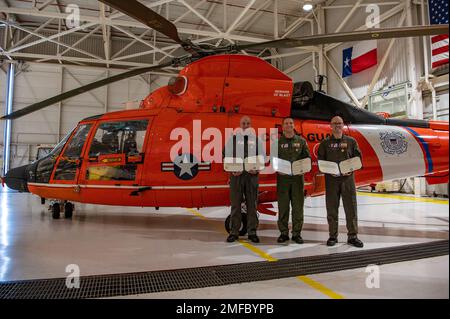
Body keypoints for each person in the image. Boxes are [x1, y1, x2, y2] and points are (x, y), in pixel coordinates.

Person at [317, 115, 364, 248]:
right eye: (335, 123)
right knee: (332, 208)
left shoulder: (351, 141)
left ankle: (353, 236)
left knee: (351, 208)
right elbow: (320, 161)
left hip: (348, 179)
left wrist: (351, 169)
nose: (337, 125)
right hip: (331, 180)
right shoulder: (325, 143)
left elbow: (358, 159)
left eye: (340, 123)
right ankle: (333, 236)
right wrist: (327, 170)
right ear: (330, 126)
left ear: (343, 125)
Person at [224, 116, 264, 243]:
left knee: (252, 205)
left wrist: (257, 169)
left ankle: (252, 232)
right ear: (240, 125)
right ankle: (234, 232)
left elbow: (262, 156)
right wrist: (231, 170)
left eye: (248, 123)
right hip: (237, 176)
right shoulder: (233, 140)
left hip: (252, 177)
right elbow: (226, 155)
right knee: (235, 205)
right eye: (243, 123)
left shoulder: (257, 140)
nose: (245, 125)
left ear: (251, 124)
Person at [274, 118, 311, 244]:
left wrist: (303, 169)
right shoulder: (277, 143)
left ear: (293, 126)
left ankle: (297, 233)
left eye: (291, 123)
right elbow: (274, 160)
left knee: (298, 207)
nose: (289, 125)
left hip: (297, 179)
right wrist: (278, 169)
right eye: (286, 123)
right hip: (283, 179)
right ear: (282, 126)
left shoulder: (301, 141)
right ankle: (283, 233)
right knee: (283, 207)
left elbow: (307, 159)